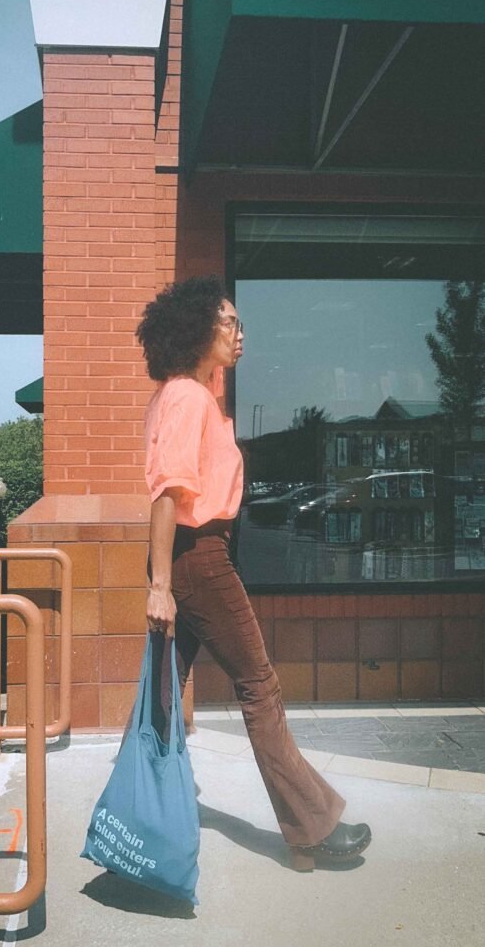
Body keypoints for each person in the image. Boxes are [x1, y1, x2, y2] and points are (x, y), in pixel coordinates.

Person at [136, 274, 371, 871]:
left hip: (188, 559)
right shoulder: (188, 398)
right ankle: (310, 827)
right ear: (198, 329)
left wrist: (165, 580)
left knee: (162, 697)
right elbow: (168, 494)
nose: (241, 334)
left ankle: (139, 823)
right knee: (259, 687)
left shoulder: (183, 394)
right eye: (230, 322)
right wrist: (161, 586)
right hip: (199, 559)